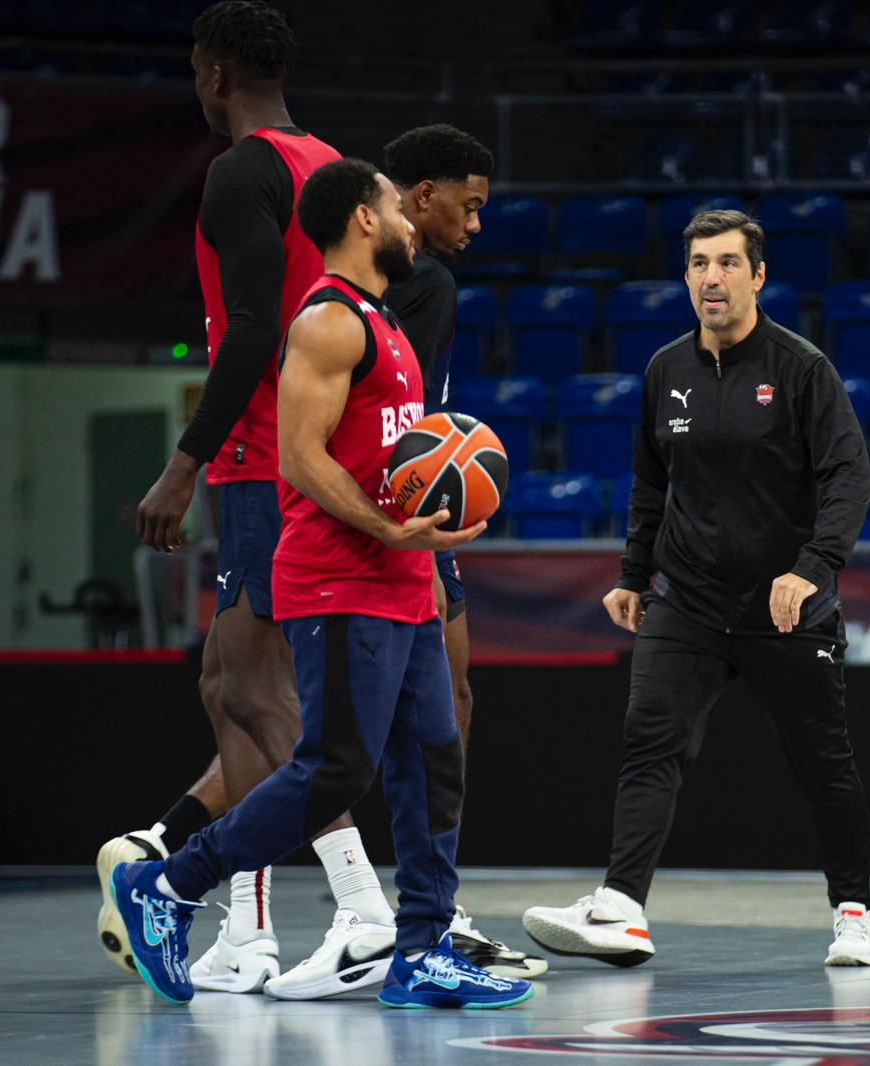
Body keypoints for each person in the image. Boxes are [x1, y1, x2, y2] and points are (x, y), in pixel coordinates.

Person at [110, 157, 533, 1012]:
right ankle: (169, 886)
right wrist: (386, 527)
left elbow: (392, 460)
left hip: (402, 575)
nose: (413, 223)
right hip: (341, 580)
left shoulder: (388, 325)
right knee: (336, 768)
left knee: (431, 755)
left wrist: (426, 513)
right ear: (365, 220)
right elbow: (299, 463)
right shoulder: (328, 323)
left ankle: (421, 949)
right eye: (395, 207)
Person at [97, 1, 401, 1000]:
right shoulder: (335, 165)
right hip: (308, 456)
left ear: (210, 71)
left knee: (251, 692)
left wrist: (183, 460)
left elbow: (256, 329)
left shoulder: (241, 170)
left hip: (264, 460)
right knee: (233, 685)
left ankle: (362, 910)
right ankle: (248, 930)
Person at [521, 210, 870, 968]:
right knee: (649, 741)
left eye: (725, 263)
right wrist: (632, 573)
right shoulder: (665, 370)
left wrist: (811, 568)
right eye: (697, 264)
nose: (710, 277)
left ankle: (853, 913)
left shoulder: (801, 368)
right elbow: (652, 480)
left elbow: (851, 477)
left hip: (785, 607)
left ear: (757, 276)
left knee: (824, 764)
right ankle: (621, 907)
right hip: (685, 597)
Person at [380, 122, 546, 980]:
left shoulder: (393, 281)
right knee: (409, 721)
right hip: (395, 522)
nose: (477, 225)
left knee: (448, 705)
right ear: (421, 198)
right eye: (469, 206)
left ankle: (425, 909)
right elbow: (388, 418)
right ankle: (405, 913)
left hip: (411, 522)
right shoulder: (425, 282)